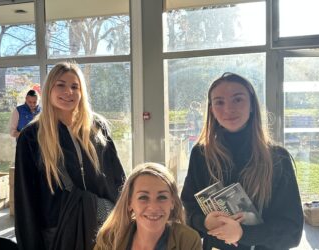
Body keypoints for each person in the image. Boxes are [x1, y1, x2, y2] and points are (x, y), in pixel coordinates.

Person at [181, 72, 304, 250]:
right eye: (219, 102)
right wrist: (205, 222)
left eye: (237, 100)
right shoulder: (201, 155)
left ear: (252, 105)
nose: (229, 109)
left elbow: (292, 233)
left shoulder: (278, 158)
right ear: (211, 110)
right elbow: (189, 210)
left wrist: (242, 234)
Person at [14, 62, 125, 250]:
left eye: (75, 86)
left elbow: (118, 178)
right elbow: (25, 199)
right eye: (61, 85)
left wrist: (124, 218)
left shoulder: (97, 128)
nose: (69, 92)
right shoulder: (32, 137)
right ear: (49, 89)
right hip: (58, 234)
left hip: (101, 229)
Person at [95, 162, 202, 250]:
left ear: (172, 202)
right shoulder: (109, 239)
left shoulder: (187, 240)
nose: (153, 207)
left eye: (162, 197)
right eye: (143, 198)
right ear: (129, 203)